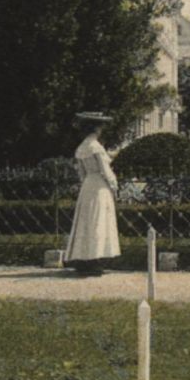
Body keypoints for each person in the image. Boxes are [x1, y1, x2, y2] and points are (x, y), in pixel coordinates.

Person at [63, 112, 121, 276]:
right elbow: (105, 170)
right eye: (100, 127)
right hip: (99, 186)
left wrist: (85, 184)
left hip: (88, 185)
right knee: (98, 221)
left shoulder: (81, 148)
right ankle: (95, 259)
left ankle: (83, 259)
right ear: (96, 128)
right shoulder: (96, 147)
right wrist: (114, 186)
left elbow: (81, 173)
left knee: (86, 221)